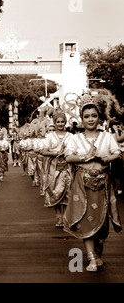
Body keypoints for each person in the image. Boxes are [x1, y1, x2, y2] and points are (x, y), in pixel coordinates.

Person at [63, 94, 122, 272]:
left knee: (103, 226)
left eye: (94, 116)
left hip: (103, 184)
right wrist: (85, 157)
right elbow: (68, 157)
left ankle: (97, 253)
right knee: (86, 221)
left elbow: (117, 153)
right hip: (82, 185)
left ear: (99, 118)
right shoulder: (75, 138)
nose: (90, 119)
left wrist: (106, 158)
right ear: (81, 119)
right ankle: (91, 258)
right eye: (86, 116)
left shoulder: (108, 136)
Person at [41, 110, 73, 227]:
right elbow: (44, 151)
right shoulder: (49, 136)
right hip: (53, 169)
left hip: (67, 168)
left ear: (65, 122)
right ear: (54, 123)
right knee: (55, 192)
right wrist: (56, 153)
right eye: (58, 122)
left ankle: (64, 216)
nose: (60, 124)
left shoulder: (71, 136)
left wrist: (66, 153)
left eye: (62, 122)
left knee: (67, 192)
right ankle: (58, 216)